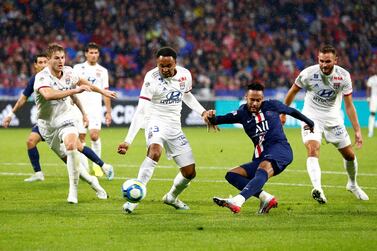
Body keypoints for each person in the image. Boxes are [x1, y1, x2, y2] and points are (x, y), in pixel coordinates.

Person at [117, 46, 211, 213]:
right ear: (157, 64)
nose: (165, 69)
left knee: (189, 172)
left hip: (174, 126)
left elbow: (187, 95)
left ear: (175, 63)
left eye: (169, 65)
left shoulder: (185, 75)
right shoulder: (150, 79)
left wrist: (203, 112)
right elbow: (140, 111)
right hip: (155, 121)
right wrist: (128, 140)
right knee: (154, 151)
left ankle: (171, 197)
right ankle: (134, 199)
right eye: (161, 66)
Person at [281, 44, 369, 204]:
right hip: (310, 117)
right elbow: (293, 91)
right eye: (321, 61)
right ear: (318, 59)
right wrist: (283, 112)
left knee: (349, 155)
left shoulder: (343, 76)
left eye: (327, 61)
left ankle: (353, 184)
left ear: (336, 60)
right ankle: (318, 189)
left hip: (333, 119)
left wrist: (357, 130)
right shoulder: (308, 73)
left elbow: (349, 105)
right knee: (312, 149)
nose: (324, 65)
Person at [209, 82, 314, 214]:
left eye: (258, 100)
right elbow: (219, 119)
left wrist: (310, 122)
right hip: (261, 156)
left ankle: (237, 201)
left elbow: (292, 111)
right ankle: (266, 198)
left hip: (280, 150)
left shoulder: (272, 105)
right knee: (232, 175)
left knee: (263, 167)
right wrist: (210, 116)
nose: (255, 103)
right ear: (246, 97)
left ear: (262, 99)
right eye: (252, 99)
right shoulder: (242, 113)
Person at [34, 43, 116, 203]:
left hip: (66, 118)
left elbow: (86, 84)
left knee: (72, 145)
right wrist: (74, 90)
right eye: (56, 58)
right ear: (49, 60)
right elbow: (48, 95)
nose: (61, 61)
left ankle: (73, 193)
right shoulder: (42, 77)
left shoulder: (69, 72)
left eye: (62, 57)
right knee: (74, 163)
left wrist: (103, 91)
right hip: (47, 126)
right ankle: (94, 182)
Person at [2, 53, 48, 182]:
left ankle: (100, 167)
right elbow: (23, 98)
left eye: (46, 62)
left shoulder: (55, 76)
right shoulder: (35, 79)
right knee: (31, 141)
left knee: (70, 150)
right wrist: (10, 114)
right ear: (35, 65)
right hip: (45, 121)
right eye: (41, 62)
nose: (44, 65)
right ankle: (38, 173)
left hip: (60, 121)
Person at [73, 42, 112, 177]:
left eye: (96, 53)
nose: (94, 55)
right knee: (81, 138)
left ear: (98, 54)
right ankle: (85, 167)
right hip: (80, 109)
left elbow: (105, 92)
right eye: (91, 52)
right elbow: (71, 87)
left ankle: (97, 166)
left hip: (95, 109)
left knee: (94, 136)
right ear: (86, 53)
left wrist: (108, 111)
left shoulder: (103, 71)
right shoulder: (77, 68)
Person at [366, 71, 377, 138]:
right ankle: (370, 132)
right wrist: (368, 99)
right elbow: (368, 89)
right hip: (374, 98)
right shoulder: (371, 79)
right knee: (372, 114)